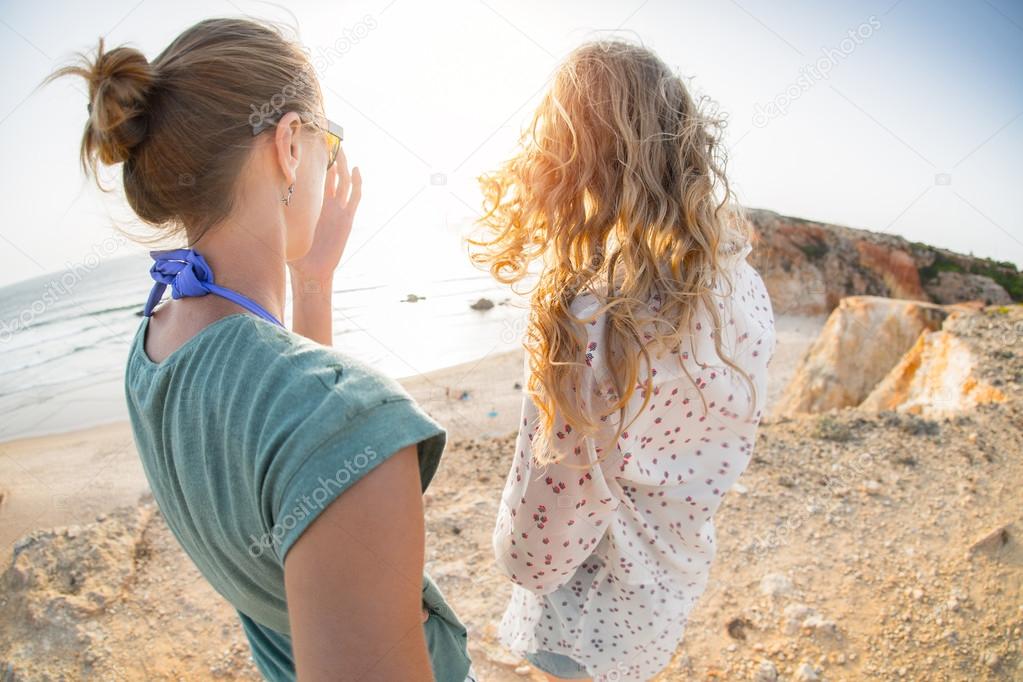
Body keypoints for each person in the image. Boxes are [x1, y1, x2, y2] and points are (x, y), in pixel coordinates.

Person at [46, 17, 476, 682]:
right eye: (326, 142)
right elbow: (308, 422)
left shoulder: (152, 348)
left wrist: (312, 283)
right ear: (288, 147)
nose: (330, 163)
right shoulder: (352, 419)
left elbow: (280, 432)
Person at [470, 40, 777, 681]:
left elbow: (540, 544)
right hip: (668, 587)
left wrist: (507, 551)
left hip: (585, 618)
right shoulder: (741, 284)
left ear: (568, 161)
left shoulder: (592, 316)